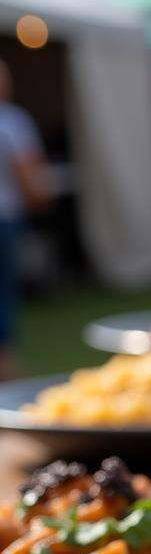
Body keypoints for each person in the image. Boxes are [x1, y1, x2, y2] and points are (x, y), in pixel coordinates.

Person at [0, 59, 47, 380]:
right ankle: (7, 369)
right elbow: (30, 178)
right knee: (4, 296)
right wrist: (40, 200)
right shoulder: (12, 121)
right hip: (5, 219)